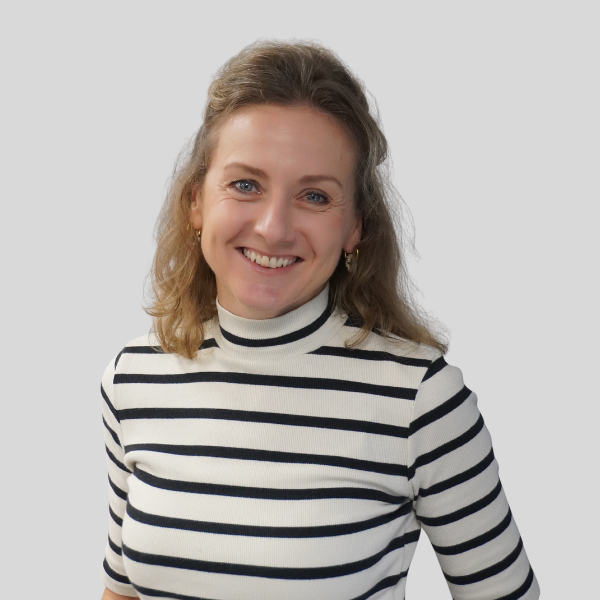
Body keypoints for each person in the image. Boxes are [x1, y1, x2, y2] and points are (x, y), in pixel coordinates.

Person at [100, 40, 540, 600]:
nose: (273, 228)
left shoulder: (420, 399)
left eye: (313, 196)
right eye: (245, 185)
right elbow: (121, 591)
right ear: (196, 202)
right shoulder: (135, 377)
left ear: (355, 226)